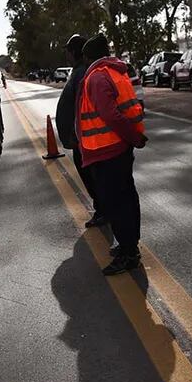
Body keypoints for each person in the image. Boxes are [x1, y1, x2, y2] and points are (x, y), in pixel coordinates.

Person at [77, 35, 148, 275]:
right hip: (118, 148)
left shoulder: (97, 77)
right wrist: (133, 138)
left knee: (117, 203)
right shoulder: (116, 72)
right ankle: (129, 245)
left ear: (89, 57)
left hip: (107, 151)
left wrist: (134, 138)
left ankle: (129, 253)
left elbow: (111, 115)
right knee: (126, 197)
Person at [55, 34, 104, 227]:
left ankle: (103, 210)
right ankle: (101, 208)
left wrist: (78, 134)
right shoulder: (77, 71)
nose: (66, 54)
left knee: (92, 176)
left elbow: (85, 106)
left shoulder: (83, 72)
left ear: (75, 51)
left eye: (68, 50)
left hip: (84, 138)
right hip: (79, 137)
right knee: (88, 175)